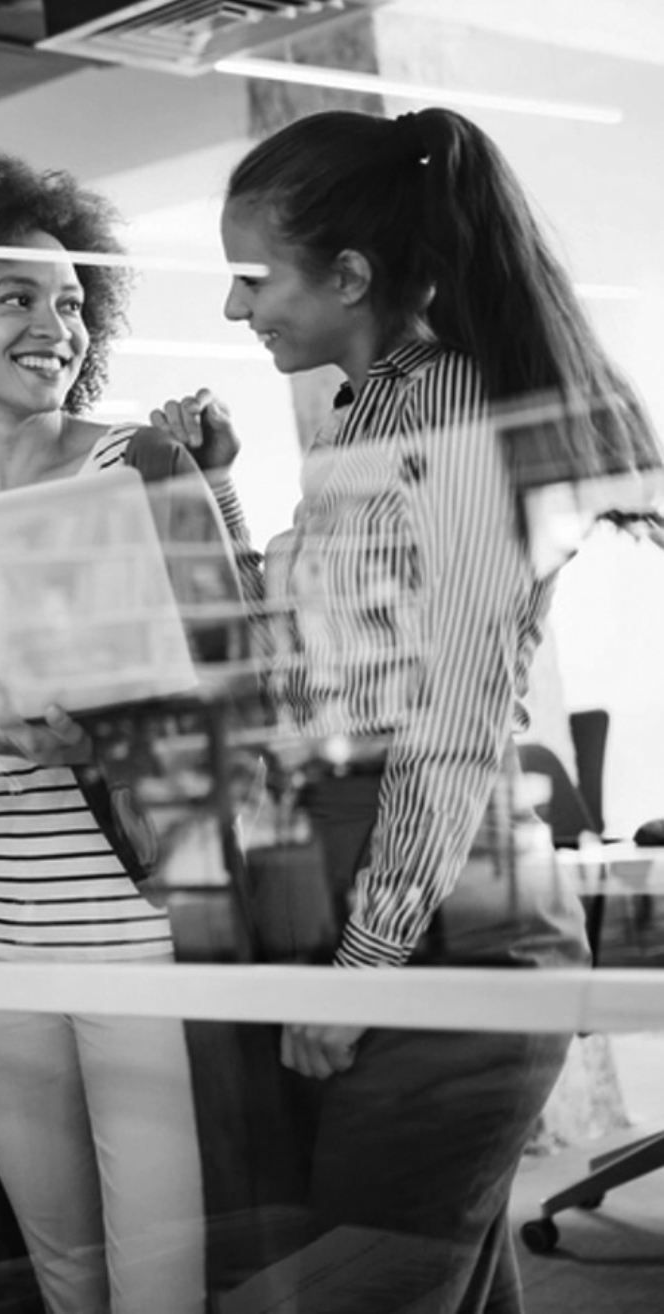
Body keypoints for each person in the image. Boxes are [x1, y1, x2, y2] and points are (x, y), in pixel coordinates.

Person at [155, 107, 663, 1311]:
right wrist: (221, 496)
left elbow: (449, 716)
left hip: (449, 927)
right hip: (385, 902)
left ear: (348, 274)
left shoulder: (450, 420)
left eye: (252, 277)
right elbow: (303, 666)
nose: (235, 310)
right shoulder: (370, 411)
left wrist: (366, 971)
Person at [0, 152, 257, 1314]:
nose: (53, 325)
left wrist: (91, 741)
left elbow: (236, 685)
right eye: (15, 298)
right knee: (60, 1268)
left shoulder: (141, 466)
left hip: (130, 928)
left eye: (70, 300)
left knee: (160, 1270)